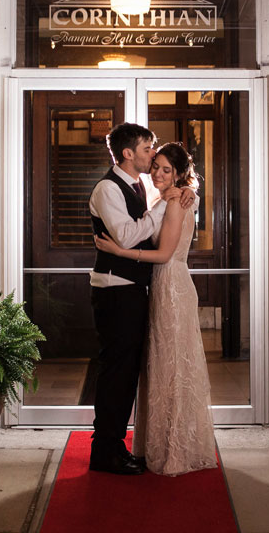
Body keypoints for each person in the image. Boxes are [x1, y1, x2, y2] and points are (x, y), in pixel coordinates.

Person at [94, 142, 218, 476]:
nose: (158, 173)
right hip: (161, 287)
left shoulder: (176, 202)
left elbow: (163, 255)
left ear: (179, 174)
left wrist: (119, 253)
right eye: (156, 166)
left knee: (173, 367)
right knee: (163, 366)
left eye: (166, 169)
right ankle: (159, 445)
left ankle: (175, 449)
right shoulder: (165, 200)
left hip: (172, 286)